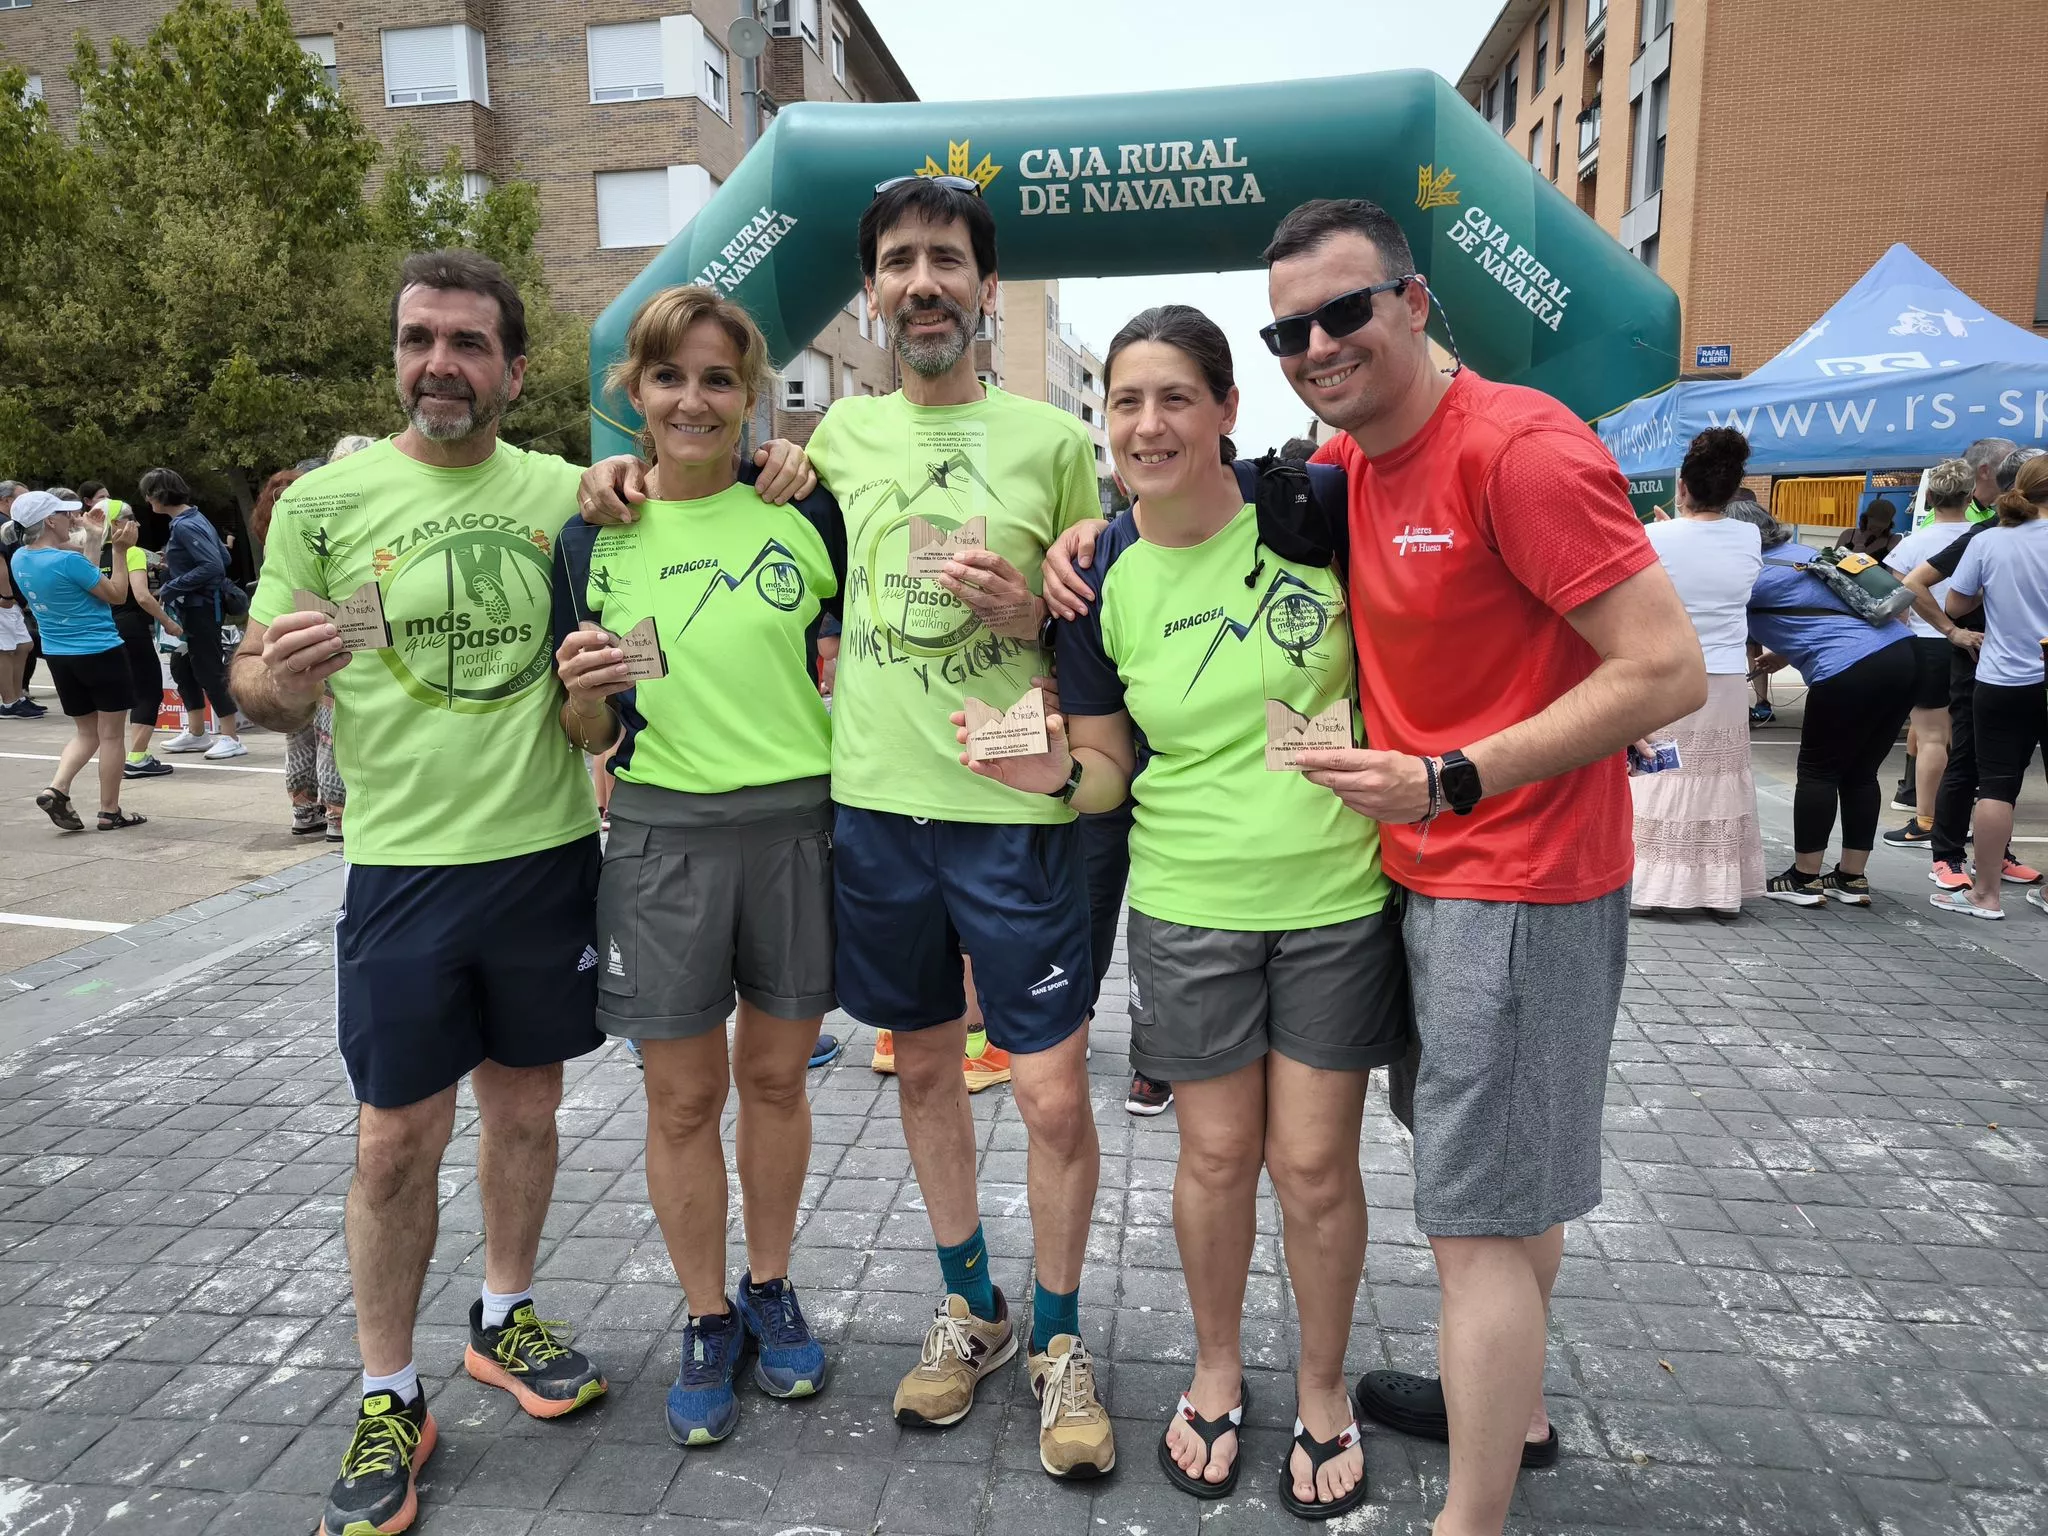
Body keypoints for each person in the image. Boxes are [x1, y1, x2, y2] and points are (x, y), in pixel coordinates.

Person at [1050, 198, 1703, 1536]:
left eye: (1345, 312)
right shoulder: (1351, 472)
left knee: (1460, 1208)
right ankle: (1485, 1408)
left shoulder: (1506, 448)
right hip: (1404, 881)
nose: (1320, 343)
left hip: (1501, 874)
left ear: (1413, 300)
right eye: (1293, 326)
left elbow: (1668, 669)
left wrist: (1449, 775)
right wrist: (1082, 548)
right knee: (1487, 1193)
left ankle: (1451, 1494)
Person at [580, 175, 1115, 1479]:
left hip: (1011, 811)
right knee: (925, 1075)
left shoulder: (1051, 443)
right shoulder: (827, 456)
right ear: (870, 293)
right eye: (899, 263)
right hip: (871, 814)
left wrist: (1043, 611)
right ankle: (973, 1311)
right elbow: (698, 493)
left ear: (987, 289)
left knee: (1048, 1099)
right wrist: (618, 477)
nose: (922, 283)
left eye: (947, 260)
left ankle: (1058, 1336)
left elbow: (1097, 607)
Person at [231, 250, 612, 1536]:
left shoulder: (566, 490)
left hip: (548, 854)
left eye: (465, 343)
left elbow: (693, 490)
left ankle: (502, 1320)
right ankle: (388, 1389)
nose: (437, 363)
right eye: (416, 340)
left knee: (528, 1114)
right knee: (395, 1139)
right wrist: (280, 679)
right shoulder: (328, 504)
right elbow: (254, 684)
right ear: (396, 355)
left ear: (511, 365)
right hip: (399, 870)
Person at [1005, 304, 1405, 1516]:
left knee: (1314, 1165)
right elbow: (1110, 767)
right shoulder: (1098, 579)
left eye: (1175, 396)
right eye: (1125, 400)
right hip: (1185, 908)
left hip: (1336, 895)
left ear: (1228, 409)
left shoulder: (1313, 516)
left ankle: (1324, 1388)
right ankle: (1217, 1368)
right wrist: (1053, 781)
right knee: (1216, 1155)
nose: (1147, 422)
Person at [552, 284, 843, 1446]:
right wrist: (581, 705)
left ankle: (769, 1286)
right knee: (681, 1095)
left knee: (774, 1081)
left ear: (749, 396)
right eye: (668, 377)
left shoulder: (807, 516)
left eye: (717, 379)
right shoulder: (593, 534)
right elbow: (588, 732)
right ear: (634, 393)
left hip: (795, 825)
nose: (692, 399)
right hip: (662, 833)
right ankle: (705, 1311)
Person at [1741, 505, 1915, 906]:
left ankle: (1803, 879)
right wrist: (1784, 655)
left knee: (1818, 771)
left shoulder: (1750, 574)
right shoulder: (1803, 554)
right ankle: (1851, 879)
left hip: (1847, 668)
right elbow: (1829, 610)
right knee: (1860, 772)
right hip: (1902, 656)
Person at [1631, 428, 1765, 914]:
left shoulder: (1651, 536)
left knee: (1659, 772)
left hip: (1667, 671)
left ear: (1682, 486)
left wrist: (1667, 532)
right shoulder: (1749, 535)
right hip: (1726, 676)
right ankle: (1716, 890)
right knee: (1717, 778)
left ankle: (1650, 886)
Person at [1900, 446, 2045, 892]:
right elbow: (1914, 582)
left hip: (2019, 672)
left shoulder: (2001, 536)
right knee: (1968, 763)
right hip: (1981, 666)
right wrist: (1953, 632)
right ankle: (1947, 854)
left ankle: (1995, 857)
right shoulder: (1985, 535)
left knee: (2007, 773)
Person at [10, 490, 147, 830]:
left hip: (60, 656)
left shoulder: (21, 558)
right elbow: (116, 594)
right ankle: (109, 811)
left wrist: (94, 538)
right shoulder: (65, 560)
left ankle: (57, 788)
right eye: (65, 514)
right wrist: (119, 549)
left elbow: (82, 573)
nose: (73, 518)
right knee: (112, 736)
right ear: (49, 521)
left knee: (87, 733)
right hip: (100, 651)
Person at [1880, 459, 1975, 848]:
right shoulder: (1981, 535)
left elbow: (1897, 600)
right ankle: (1961, 819)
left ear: (1930, 496)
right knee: (1969, 739)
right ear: (1970, 497)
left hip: (1928, 642)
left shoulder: (1913, 543)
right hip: (1974, 642)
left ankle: (1925, 820)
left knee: (1932, 737)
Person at [146, 467, 246, 760]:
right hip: (195, 606)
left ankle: (230, 736)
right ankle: (197, 732)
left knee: (208, 669)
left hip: (201, 607)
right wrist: (176, 565)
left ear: (160, 495)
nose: (148, 500)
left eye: (150, 494)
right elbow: (223, 557)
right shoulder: (194, 518)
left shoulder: (185, 525)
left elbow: (213, 566)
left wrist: (171, 586)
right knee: (182, 667)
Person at [81, 484, 180, 779]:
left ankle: (121, 753)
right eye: (129, 518)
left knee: (118, 697)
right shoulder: (131, 552)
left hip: (103, 631)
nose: (135, 524)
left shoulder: (89, 554)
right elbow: (143, 595)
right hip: (131, 628)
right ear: (115, 525)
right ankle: (137, 755)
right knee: (148, 689)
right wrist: (169, 622)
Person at [0, 480, 46, 717]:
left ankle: (17, 696)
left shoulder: (11, 525)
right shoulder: (0, 523)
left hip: (13, 599)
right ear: (7, 501)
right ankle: (9, 702)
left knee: (24, 645)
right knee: (5, 649)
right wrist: (6, 595)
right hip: (4, 600)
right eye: (22, 498)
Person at [1963, 436, 2020, 523]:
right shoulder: (1953, 514)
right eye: (2009, 465)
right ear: (1984, 471)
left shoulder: (1997, 512)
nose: (2019, 472)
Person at [1835, 496, 1900, 562]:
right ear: (1866, 519)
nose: (1876, 530)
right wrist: (1854, 554)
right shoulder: (1848, 535)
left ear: (1889, 525)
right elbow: (1833, 562)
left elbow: (1892, 569)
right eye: (1873, 526)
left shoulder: (1893, 540)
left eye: (1881, 527)